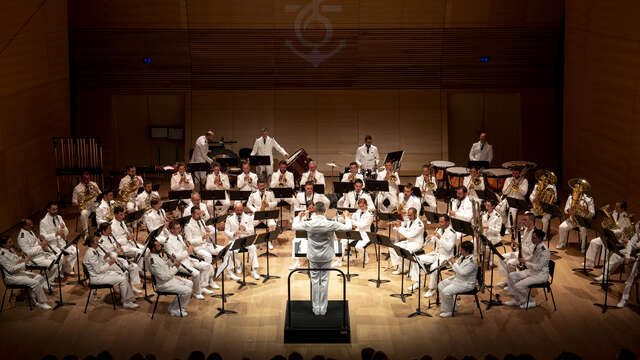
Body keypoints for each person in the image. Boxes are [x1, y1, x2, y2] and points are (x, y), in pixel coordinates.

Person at [292, 201, 352, 315]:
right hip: (326, 256)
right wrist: (346, 217)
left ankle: (315, 309)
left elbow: (294, 226)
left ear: (314, 210)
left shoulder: (308, 223)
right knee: (324, 282)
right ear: (324, 211)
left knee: (314, 281)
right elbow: (348, 227)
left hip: (314, 256)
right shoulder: (330, 223)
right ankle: (323, 309)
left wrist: (298, 217)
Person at [83, 235, 139, 309]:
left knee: (122, 274)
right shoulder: (91, 254)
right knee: (122, 279)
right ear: (92, 243)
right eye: (97, 241)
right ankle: (125, 302)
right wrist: (109, 263)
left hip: (99, 274)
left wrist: (104, 257)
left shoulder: (93, 250)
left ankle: (129, 299)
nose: (98, 243)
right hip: (96, 277)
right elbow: (98, 270)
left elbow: (98, 263)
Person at [164, 220, 215, 299]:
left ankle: (201, 287)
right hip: (179, 264)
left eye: (179, 228)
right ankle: (196, 292)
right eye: (177, 228)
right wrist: (187, 252)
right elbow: (175, 258)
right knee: (196, 273)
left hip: (188, 259)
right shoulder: (168, 242)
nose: (179, 230)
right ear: (171, 230)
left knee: (207, 266)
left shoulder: (179, 236)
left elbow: (184, 248)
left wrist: (188, 246)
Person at [408, 214, 456, 297]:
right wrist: (428, 239)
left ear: (448, 223)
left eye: (442, 222)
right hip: (435, 254)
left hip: (445, 257)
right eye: (439, 222)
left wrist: (439, 238)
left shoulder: (452, 233)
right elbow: (431, 243)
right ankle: (418, 282)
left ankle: (432, 289)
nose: (439, 224)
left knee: (434, 267)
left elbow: (448, 248)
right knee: (416, 259)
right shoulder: (439, 229)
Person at [0, 235, 51, 310]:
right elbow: (10, 270)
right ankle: (42, 303)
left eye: (11, 241)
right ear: (3, 245)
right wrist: (24, 263)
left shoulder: (10, 249)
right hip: (11, 277)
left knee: (39, 277)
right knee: (35, 283)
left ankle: (32, 298)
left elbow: (15, 260)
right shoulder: (1, 255)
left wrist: (23, 257)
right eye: (9, 242)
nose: (12, 243)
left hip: (18, 273)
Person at [504, 229, 550, 309]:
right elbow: (532, 256)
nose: (532, 240)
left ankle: (531, 301)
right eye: (532, 237)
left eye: (534, 238)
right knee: (511, 276)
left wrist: (525, 263)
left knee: (518, 286)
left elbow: (538, 267)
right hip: (532, 271)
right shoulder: (537, 246)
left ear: (540, 239)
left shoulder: (544, 251)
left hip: (540, 275)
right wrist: (524, 259)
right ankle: (518, 299)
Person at [148, 238, 193, 316]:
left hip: (169, 280)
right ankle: (176, 310)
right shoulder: (153, 261)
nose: (161, 247)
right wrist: (176, 268)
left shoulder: (157, 255)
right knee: (188, 291)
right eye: (158, 246)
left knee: (190, 283)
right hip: (163, 284)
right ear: (153, 249)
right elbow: (164, 277)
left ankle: (174, 306)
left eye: (160, 245)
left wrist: (173, 261)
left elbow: (165, 265)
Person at [96, 222, 143, 294]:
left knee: (134, 267)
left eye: (111, 229)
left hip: (117, 259)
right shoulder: (101, 242)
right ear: (103, 231)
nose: (111, 231)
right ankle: (125, 294)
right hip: (109, 263)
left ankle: (132, 286)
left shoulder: (110, 236)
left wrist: (118, 246)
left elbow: (113, 246)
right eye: (109, 229)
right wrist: (116, 252)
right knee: (125, 272)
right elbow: (104, 257)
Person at [583, 201, 630, 267]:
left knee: (606, 245)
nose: (615, 208)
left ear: (622, 208)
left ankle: (605, 264)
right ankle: (590, 262)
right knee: (593, 242)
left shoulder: (626, 217)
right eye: (615, 206)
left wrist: (611, 231)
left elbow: (622, 231)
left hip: (616, 239)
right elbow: (609, 224)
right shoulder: (614, 213)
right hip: (608, 235)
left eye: (617, 207)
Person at [438, 241, 477, 318]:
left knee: (446, 292)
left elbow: (462, 272)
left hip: (466, 284)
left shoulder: (472, 261)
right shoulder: (463, 257)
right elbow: (456, 266)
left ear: (467, 251)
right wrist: (448, 263)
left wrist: (454, 263)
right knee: (441, 285)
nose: (460, 251)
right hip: (459, 279)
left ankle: (449, 311)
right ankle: (453, 305)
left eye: (462, 250)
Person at [17, 219, 59, 287]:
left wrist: (40, 240)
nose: (32, 225)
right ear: (24, 226)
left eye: (32, 224)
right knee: (54, 265)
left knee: (56, 259)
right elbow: (28, 253)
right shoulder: (22, 237)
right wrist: (41, 246)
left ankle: (48, 280)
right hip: (32, 259)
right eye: (29, 225)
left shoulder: (30, 231)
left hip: (39, 255)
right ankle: (45, 283)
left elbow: (35, 243)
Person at [333, 198, 374, 267]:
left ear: (366, 205)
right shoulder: (358, 211)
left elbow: (361, 225)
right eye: (360, 206)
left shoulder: (370, 215)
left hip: (365, 234)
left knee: (358, 246)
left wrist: (349, 219)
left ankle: (366, 257)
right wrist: (346, 214)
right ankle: (339, 261)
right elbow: (352, 216)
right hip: (357, 232)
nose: (361, 208)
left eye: (363, 206)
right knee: (343, 241)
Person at [497, 212, 536, 284]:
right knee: (502, 257)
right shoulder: (526, 230)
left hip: (528, 258)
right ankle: (508, 279)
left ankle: (514, 281)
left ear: (531, 221)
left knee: (509, 263)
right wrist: (515, 244)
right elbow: (524, 243)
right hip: (521, 253)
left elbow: (530, 252)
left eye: (525, 220)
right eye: (523, 220)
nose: (523, 222)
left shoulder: (535, 234)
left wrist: (518, 245)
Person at [224, 203, 260, 280]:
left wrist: (245, 228)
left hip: (245, 239)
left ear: (243, 209)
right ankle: (238, 265)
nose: (239, 211)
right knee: (231, 251)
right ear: (234, 209)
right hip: (235, 239)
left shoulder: (248, 217)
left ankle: (254, 270)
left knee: (253, 247)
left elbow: (252, 231)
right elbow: (226, 231)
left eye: (240, 210)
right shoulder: (229, 219)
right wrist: (233, 233)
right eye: (237, 210)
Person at [39, 202, 76, 275]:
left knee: (75, 251)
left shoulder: (59, 217)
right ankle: (57, 273)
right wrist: (55, 234)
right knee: (60, 256)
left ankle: (65, 268)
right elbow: (42, 237)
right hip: (51, 244)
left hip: (61, 242)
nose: (55, 211)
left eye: (56, 209)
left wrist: (64, 229)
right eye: (53, 209)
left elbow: (66, 232)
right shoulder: (43, 221)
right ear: (48, 209)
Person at [390, 208, 424, 274]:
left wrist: (399, 228)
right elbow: (404, 229)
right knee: (392, 247)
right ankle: (401, 266)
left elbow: (409, 235)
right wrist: (396, 226)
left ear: (415, 214)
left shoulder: (420, 224)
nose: (408, 217)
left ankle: (403, 268)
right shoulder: (409, 221)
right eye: (408, 215)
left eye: (410, 215)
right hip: (409, 242)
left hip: (416, 243)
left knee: (403, 251)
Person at [497, 167, 528, 233]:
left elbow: (524, 193)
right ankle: (505, 222)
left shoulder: (524, 181)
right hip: (509, 198)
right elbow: (504, 192)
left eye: (516, 173)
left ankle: (510, 228)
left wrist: (518, 187)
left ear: (519, 173)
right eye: (513, 173)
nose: (514, 175)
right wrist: (511, 185)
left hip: (518, 200)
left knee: (512, 211)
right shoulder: (508, 179)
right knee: (498, 208)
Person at [529, 173, 558, 237]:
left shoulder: (552, 187)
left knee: (544, 220)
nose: (543, 182)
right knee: (529, 215)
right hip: (537, 208)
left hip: (547, 209)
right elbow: (531, 195)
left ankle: (544, 235)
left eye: (545, 180)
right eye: (541, 180)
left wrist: (547, 200)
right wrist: (533, 199)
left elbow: (555, 199)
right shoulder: (537, 186)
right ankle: (530, 232)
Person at [290, 202, 316, 270]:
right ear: (307, 208)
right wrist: (299, 217)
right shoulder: (302, 215)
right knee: (295, 240)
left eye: (312, 208)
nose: (311, 209)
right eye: (309, 208)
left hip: (314, 236)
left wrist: (307, 219)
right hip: (304, 236)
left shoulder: (316, 216)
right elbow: (294, 227)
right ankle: (297, 262)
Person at [270, 160, 296, 225]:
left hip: (286, 194)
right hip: (277, 194)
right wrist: (278, 180)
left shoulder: (290, 174)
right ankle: (273, 219)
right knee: (272, 202)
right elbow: (272, 186)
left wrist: (286, 181)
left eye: (284, 167)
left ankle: (292, 218)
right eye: (281, 167)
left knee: (294, 201)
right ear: (279, 167)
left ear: (286, 167)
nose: (283, 169)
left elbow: (292, 187)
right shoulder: (275, 174)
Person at [481, 199, 503, 266]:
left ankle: (487, 261)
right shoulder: (484, 214)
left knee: (487, 246)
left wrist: (488, 227)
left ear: (493, 206)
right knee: (474, 242)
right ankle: (481, 260)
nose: (486, 207)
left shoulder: (498, 216)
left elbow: (497, 231)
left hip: (494, 236)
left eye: (488, 206)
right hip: (485, 235)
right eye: (486, 205)